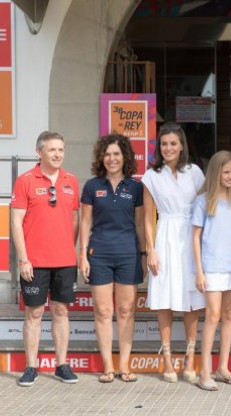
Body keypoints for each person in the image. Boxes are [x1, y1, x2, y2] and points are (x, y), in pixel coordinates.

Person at [11, 131, 80, 387]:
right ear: (39, 152)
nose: (58, 154)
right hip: (34, 262)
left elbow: (74, 220)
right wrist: (23, 259)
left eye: (61, 149)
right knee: (34, 313)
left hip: (65, 261)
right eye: (52, 150)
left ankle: (62, 365)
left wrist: (68, 250)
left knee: (61, 311)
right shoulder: (25, 180)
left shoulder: (71, 180)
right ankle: (31, 367)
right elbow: (16, 223)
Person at [79, 133, 146, 384]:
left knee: (127, 310)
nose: (111, 158)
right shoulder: (91, 186)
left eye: (116, 154)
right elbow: (85, 223)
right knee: (103, 311)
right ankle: (108, 366)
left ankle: (125, 365)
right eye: (107, 154)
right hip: (99, 255)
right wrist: (83, 255)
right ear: (101, 157)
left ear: (124, 156)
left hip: (128, 253)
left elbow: (140, 225)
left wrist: (143, 254)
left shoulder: (136, 187)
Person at [142, 122, 205, 383]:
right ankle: (167, 359)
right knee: (165, 297)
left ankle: (190, 359)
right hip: (165, 236)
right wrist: (151, 251)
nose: (169, 148)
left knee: (191, 297)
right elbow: (147, 217)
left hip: (190, 237)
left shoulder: (195, 172)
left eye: (173, 144)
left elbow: (204, 208)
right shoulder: (151, 175)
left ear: (182, 147)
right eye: (164, 144)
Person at [192, 151, 231, 391]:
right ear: (215, 172)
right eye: (226, 172)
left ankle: (222, 367)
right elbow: (195, 238)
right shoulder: (203, 200)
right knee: (212, 316)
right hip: (211, 266)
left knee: (229, 315)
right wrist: (199, 271)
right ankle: (205, 372)